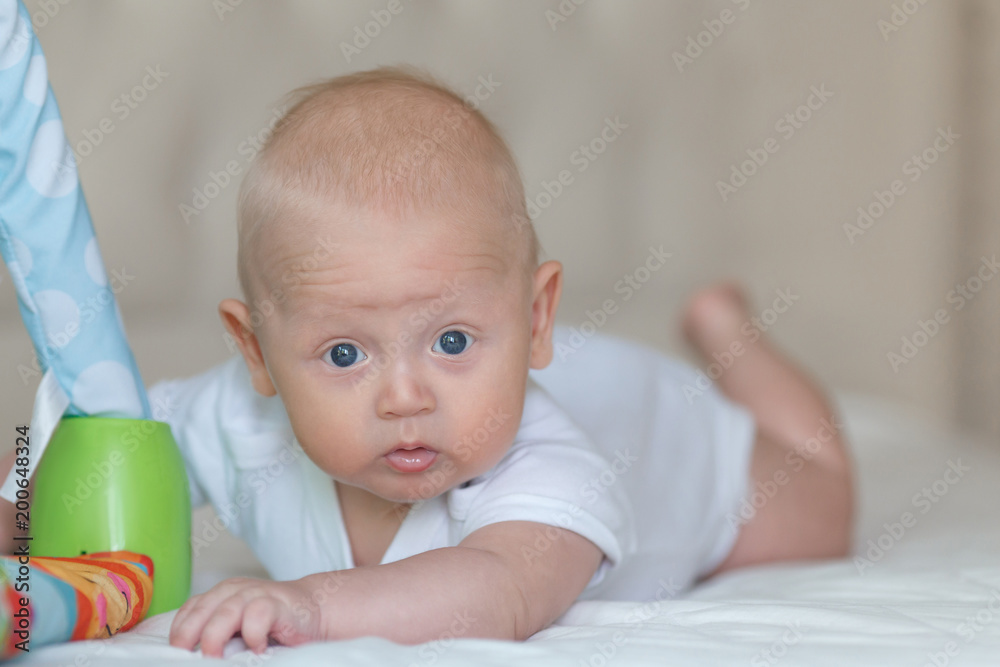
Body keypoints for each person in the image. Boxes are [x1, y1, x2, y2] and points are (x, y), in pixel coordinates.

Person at [6, 65, 854, 656]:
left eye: (451, 341)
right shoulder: (238, 414)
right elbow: (92, 451)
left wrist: (311, 605)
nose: (405, 395)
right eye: (344, 353)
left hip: (677, 439)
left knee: (820, 504)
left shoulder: (551, 469)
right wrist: (14, 517)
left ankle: (728, 331)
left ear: (535, 317)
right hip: (557, 367)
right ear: (256, 351)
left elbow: (496, 590)